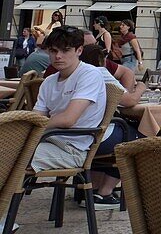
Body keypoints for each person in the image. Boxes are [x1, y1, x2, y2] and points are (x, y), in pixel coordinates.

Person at [28, 26, 108, 174]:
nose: (58, 56)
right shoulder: (49, 81)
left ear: (79, 51)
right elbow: (36, 116)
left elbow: (68, 119)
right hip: (46, 140)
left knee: (9, 156)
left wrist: (31, 127)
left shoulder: (90, 74)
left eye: (65, 50)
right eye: (53, 51)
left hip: (74, 148)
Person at [82, 44, 145, 209]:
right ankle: (104, 193)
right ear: (101, 60)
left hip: (77, 135)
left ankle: (91, 189)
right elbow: (128, 101)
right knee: (140, 140)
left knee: (121, 131)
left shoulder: (67, 74)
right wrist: (140, 88)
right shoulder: (99, 72)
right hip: (93, 136)